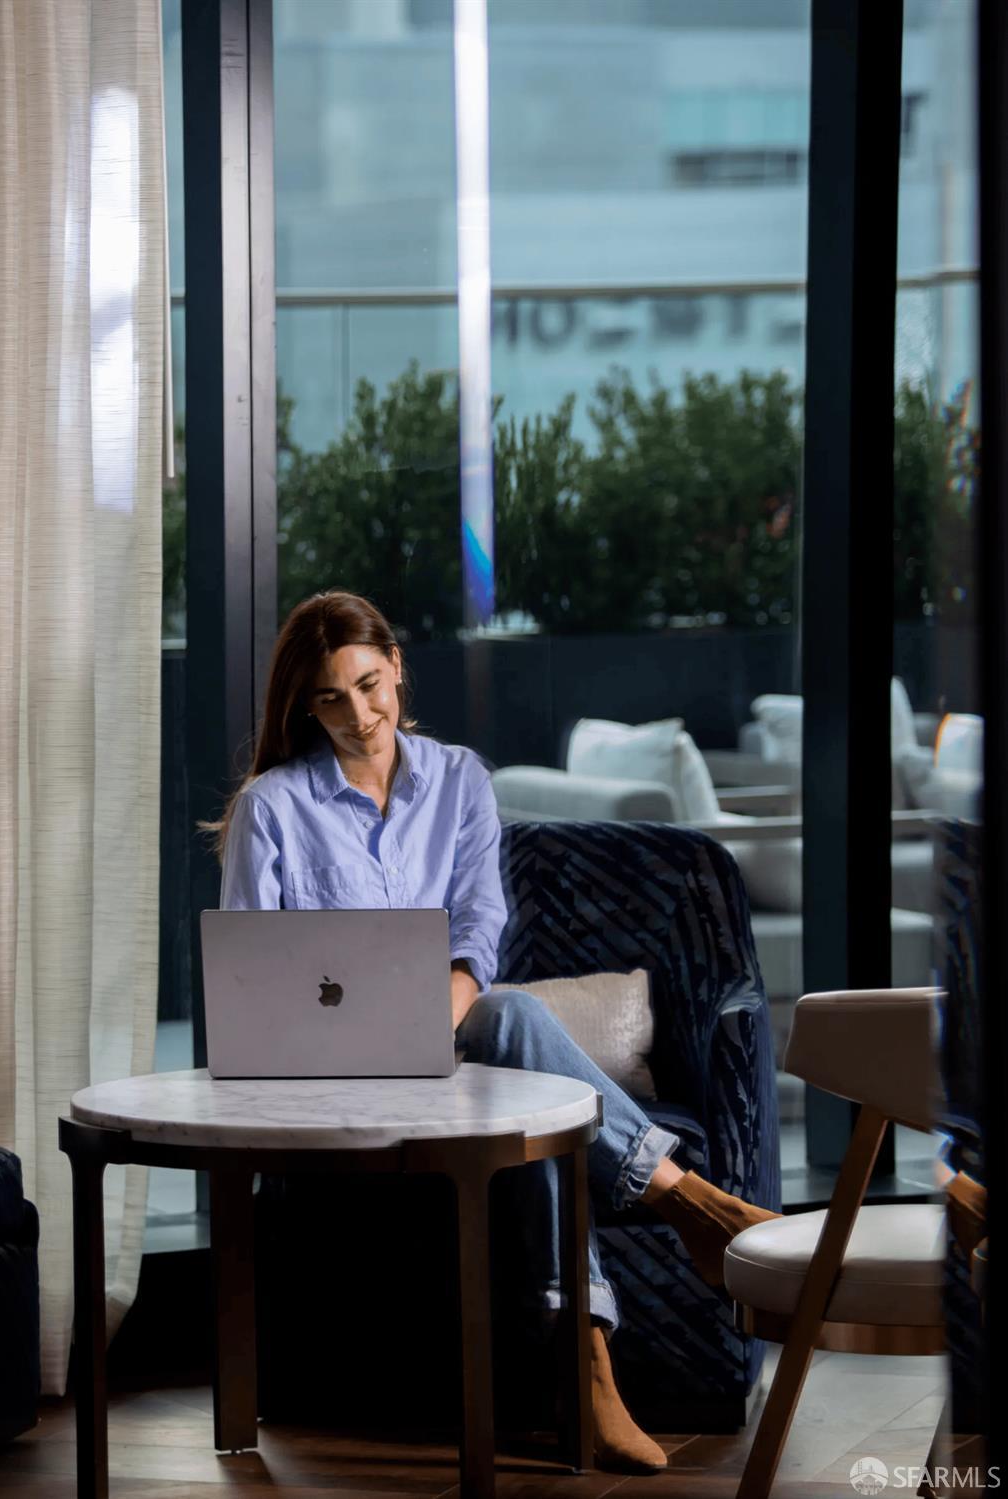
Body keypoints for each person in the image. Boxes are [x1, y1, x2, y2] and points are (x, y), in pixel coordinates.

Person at [205, 588, 780, 1473]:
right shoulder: (272, 809)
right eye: (330, 697)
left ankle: (587, 1357)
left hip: (463, 1052)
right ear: (303, 705)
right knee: (519, 1044)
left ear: (397, 665)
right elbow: (252, 978)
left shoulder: (462, 779)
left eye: (369, 684)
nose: (359, 714)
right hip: (339, 1081)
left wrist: (441, 1008)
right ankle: (686, 1201)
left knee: (508, 1017)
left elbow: (481, 924)